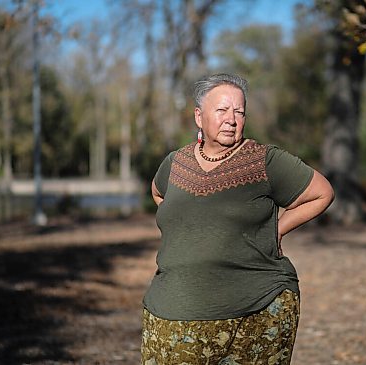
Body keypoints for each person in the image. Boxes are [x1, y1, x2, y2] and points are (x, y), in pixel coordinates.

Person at [141, 73, 334, 364]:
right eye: (221, 110)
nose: (231, 119)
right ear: (198, 116)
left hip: (254, 313)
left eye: (239, 111)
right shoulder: (174, 163)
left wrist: (277, 230)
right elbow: (158, 194)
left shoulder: (264, 161)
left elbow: (322, 193)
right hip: (169, 312)